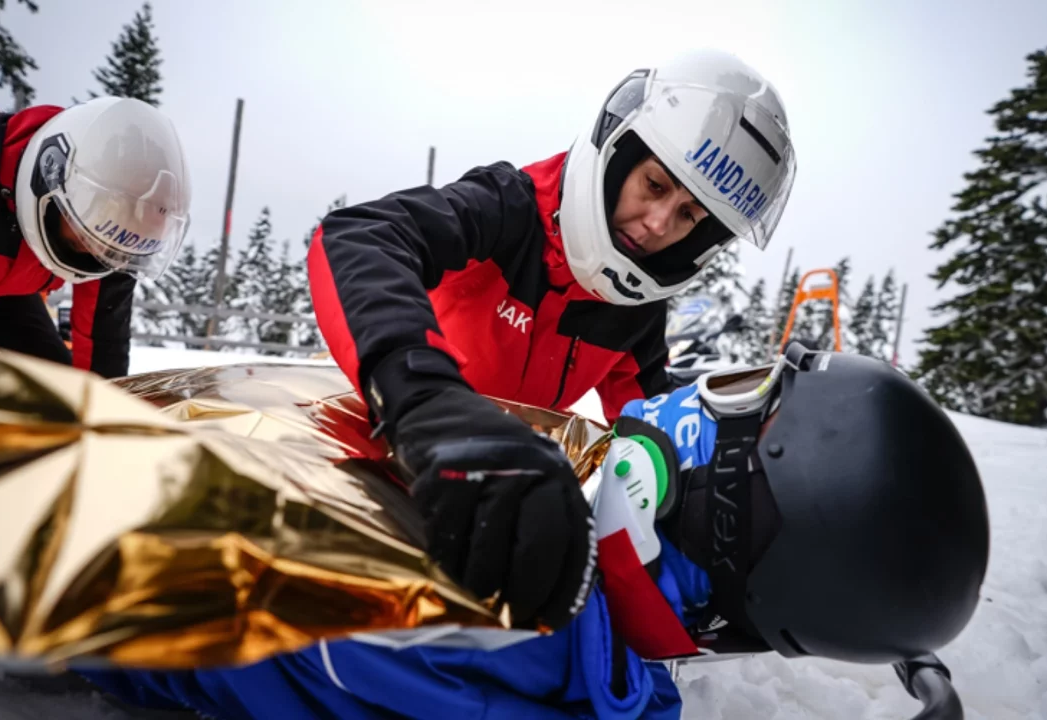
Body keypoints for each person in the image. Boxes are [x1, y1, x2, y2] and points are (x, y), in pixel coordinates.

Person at [80, 345, 991, 719]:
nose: (695, 385)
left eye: (740, 394)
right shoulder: (582, 578)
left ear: (729, 502)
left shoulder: (500, 603)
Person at [306, 47, 798, 634]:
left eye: (689, 215)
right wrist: (425, 397)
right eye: (655, 184)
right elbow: (361, 239)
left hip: (495, 486)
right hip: (375, 442)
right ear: (618, 152)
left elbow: (653, 427)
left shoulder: (634, 307)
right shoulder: (511, 208)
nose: (659, 223)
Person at [0, 94, 193, 379]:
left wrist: (105, 423)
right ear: (50, 178)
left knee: (52, 387)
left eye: (112, 250)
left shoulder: (115, 230)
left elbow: (103, 345)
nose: (98, 252)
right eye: (88, 236)